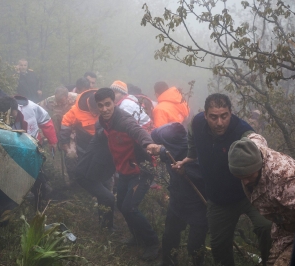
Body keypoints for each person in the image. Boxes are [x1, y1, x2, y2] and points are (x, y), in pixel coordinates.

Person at [173, 93, 272, 266]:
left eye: (224, 116)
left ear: (230, 113)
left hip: (250, 194)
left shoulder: (242, 131)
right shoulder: (197, 123)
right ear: (205, 115)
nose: (219, 123)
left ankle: (270, 262)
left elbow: (259, 148)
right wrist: (190, 157)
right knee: (219, 247)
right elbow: (191, 137)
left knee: (267, 228)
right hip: (219, 200)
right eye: (213, 117)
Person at [94, 88, 161, 261]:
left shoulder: (123, 120)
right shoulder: (103, 122)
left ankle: (153, 243)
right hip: (125, 171)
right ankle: (137, 236)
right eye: (100, 106)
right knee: (122, 205)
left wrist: (148, 143)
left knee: (130, 207)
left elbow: (138, 131)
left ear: (114, 102)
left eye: (107, 104)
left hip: (141, 171)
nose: (104, 109)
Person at [228, 134, 295, 266]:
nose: (245, 182)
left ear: (258, 166)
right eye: (240, 176)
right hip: (282, 230)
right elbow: (256, 137)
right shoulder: (252, 149)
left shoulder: (286, 181)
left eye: (249, 176)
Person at [151, 123, 208, 266]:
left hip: (198, 205)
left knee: (195, 245)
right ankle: (168, 262)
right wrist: (159, 148)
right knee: (170, 235)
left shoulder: (194, 153)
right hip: (177, 200)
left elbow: (204, 177)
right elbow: (155, 135)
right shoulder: (169, 148)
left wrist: (186, 172)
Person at [59, 89, 99, 180]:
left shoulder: (105, 104)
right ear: (89, 104)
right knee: (71, 156)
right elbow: (66, 122)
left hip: (100, 138)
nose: (95, 113)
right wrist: (64, 142)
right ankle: (74, 179)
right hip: (79, 136)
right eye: (94, 110)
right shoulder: (77, 109)